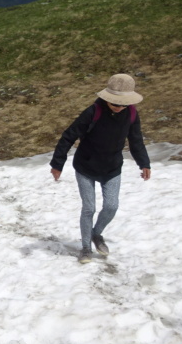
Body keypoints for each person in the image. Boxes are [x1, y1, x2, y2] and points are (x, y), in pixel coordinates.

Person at [50, 74, 151, 264]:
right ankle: (86, 248)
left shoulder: (131, 114)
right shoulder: (93, 112)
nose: (119, 107)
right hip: (85, 166)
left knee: (112, 206)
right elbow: (68, 137)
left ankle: (96, 234)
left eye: (123, 104)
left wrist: (144, 163)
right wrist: (57, 164)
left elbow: (136, 140)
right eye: (115, 103)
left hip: (112, 168)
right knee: (89, 208)